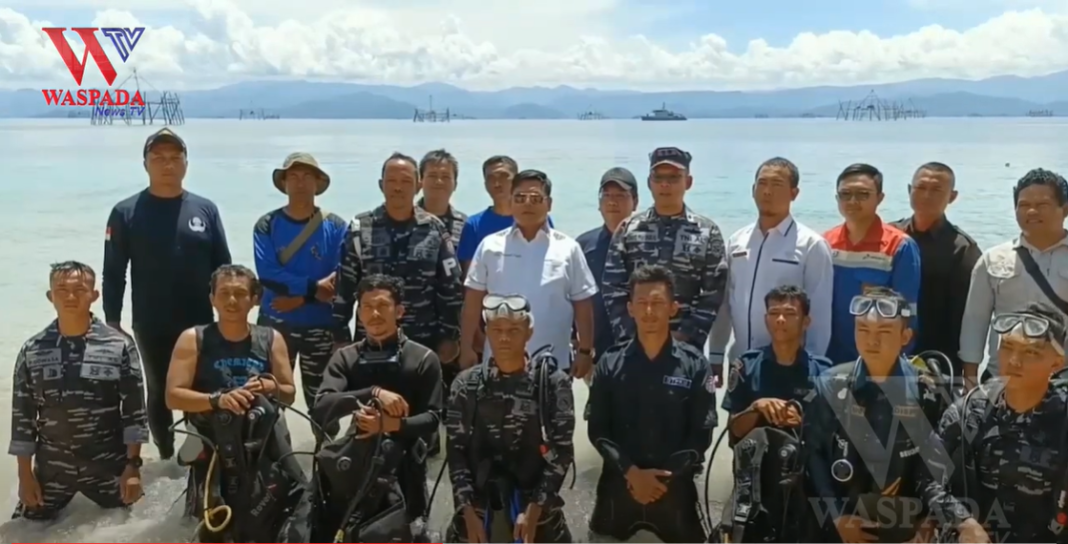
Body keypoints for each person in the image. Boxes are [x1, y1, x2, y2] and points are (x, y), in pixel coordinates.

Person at [805, 287, 976, 543]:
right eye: (862, 329)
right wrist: (837, 516)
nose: (871, 340)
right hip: (844, 526)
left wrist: (929, 523)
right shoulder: (831, 384)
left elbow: (943, 468)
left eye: (884, 332)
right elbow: (814, 454)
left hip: (909, 529)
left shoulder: (928, 392)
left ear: (905, 336)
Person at [104, 128, 232, 460]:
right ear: (145, 164)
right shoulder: (125, 212)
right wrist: (113, 321)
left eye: (175, 158)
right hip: (152, 320)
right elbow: (114, 270)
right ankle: (165, 459)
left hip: (201, 322)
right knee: (160, 390)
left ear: (187, 164)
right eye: (158, 158)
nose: (167, 165)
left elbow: (224, 268)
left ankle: (202, 457)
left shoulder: (205, 209)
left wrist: (231, 314)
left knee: (202, 390)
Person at [164, 264, 302, 542]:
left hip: (261, 445)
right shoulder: (194, 338)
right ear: (212, 298)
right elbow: (172, 396)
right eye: (224, 293)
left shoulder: (271, 338)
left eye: (240, 294)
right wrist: (218, 400)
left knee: (276, 522)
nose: (231, 301)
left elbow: (288, 393)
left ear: (254, 300)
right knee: (207, 528)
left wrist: (268, 385)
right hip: (213, 446)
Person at [587, 264, 716, 543]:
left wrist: (659, 480)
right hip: (617, 492)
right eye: (642, 303)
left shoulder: (695, 365)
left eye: (657, 303)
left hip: (674, 494)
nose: (648, 311)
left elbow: (700, 436)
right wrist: (632, 473)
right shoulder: (610, 362)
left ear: (673, 308)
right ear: (630, 308)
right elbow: (597, 430)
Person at [10, 261, 147, 521]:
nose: (70, 296)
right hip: (53, 467)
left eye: (79, 289)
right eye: (61, 290)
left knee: (136, 524)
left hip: (107, 464)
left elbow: (135, 413)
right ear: (51, 297)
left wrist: (133, 467)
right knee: (23, 530)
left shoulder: (119, 345)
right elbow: (22, 418)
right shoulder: (33, 349)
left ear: (94, 295)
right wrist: (25, 476)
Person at [311, 274, 443, 540]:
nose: (375, 314)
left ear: (400, 311)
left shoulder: (423, 358)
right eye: (367, 307)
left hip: (406, 472)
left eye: (383, 306)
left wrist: (390, 425)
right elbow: (322, 405)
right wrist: (372, 393)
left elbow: (433, 418)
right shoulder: (345, 357)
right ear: (358, 314)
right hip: (354, 467)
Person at [445, 294, 575, 543]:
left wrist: (535, 508)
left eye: (514, 329)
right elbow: (456, 451)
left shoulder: (551, 383)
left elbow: (562, 451)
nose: (504, 337)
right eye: (497, 329)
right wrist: (467, 511)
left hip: (537, 508)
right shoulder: (467, 384)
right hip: (479, 509)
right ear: (487, 332)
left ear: (529, 332)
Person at [938, 305, 1068, 544]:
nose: (1014, 361)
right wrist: (963, 521)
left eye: (1031, 352)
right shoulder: (970, 410)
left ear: (1057, 364)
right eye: (1007, 347)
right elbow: (927, 478)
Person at [601, 147, 728, 378]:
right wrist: (633, 337)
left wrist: (685, 337)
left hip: (686, 353)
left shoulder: (707, 232)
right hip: (634, 350)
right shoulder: (629, 229)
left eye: (673, 178)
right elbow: (613, 288)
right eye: (658, 178)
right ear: (649, 182)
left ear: (688, 182)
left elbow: (713, 294)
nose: (665, 185)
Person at [460, 169, 597, 378]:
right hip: (497, 363)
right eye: (520, 198)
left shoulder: (569, 248)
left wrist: (585, 351)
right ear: (511, 201)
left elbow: (582, 303)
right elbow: (473, 301)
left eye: (535, 198)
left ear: (549, 204)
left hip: (554, 365)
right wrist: (466, 346)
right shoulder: (490, 245)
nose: (527, 204)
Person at [332, 152, 464, 364]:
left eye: (406, 181)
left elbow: (450, 287)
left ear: (418, 186)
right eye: (391, 181)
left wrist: (450, 335)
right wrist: (339, 336)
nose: (398, 187)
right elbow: (344, 289)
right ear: (380, 185)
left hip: (424, 345)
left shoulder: (434, 229)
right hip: (371, 343)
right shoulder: (360, 229)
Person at [708, 157, 834, 373]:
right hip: (740, 364)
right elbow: (726, 303)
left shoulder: (811, 245)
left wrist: (813, 368)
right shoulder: (737, 241)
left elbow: (820, 315)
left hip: (788, 366)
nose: (767, 191)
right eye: (762, 183)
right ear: (752, 189)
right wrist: (716, 354)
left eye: (776, 185)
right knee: (739, 409)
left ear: (794, 193)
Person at [254, 152, 347, 434]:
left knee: (323, 404)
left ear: (318, 183)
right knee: (268, 401)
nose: (300, 182)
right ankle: (274, 469)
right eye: (293, 176)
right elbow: (268, 274)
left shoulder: (336, 226)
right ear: (283, 183)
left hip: (320, 326)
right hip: (275, 325)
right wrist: (312, 288)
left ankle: (326, 466)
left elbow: (340, 277)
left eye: (307, 176)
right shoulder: (266, 224)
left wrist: (302, 297)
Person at [960, 168, 1068, 389]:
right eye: (1023, 205)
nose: (1031, 211)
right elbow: (974, 321)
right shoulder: (993, 259)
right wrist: (970, 379)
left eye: (1042, 205)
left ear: (1064, 209)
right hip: (1003, 377)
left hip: (1062, 379)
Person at [890, 162, 981, 386]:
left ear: (952, 196)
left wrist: (966, 376)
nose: (927, 195)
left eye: (937, 190)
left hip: (936, 364)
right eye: (920, 188)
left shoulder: (962, 249)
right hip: (885, 353)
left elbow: (968, 318)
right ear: (909, 190)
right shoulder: (890, 235)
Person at [823, 163, 920, 364]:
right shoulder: (825, 243)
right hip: (828, 359)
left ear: (880, 198)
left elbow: (908, 313)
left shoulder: (899, 246)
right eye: (845, 194)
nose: (852, 201)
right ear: (836, 199)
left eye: (863, 194)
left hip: (878, 363)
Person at [722, 285, 832, 440]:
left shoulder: (823, 372)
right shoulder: (746, 366)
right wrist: (756, 408)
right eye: (774, 313)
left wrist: (801, 423)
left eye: (789, 313)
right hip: (756, 461)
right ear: (765, 319)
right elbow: (735, 431)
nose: (780, 320)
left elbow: (832, 437)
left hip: (804, 461)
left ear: (806, 322)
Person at [575, 167, 639, 367]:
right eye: (607, 195)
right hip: (595, 354)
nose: (612, 201)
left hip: (641, 351)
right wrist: (577, 342)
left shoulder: (648, 243)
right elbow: (571, 296)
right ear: (599, 203)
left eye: (621, 195)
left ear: (635, 202)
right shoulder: (582, 245)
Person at [456, 155, 556, 275]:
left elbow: (551, 261)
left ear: (516, 182)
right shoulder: (474, 225)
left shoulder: (537, 219)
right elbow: (471, 276)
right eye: (491, 178)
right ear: (485, 184)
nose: (497, 183)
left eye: (504, 177)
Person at [417, 148, 468, 246]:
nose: (439, 181)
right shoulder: (405, 219)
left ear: (455, 184)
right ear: (420, 182)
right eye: (432, 176)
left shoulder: (466, 225)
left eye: (445, 177)